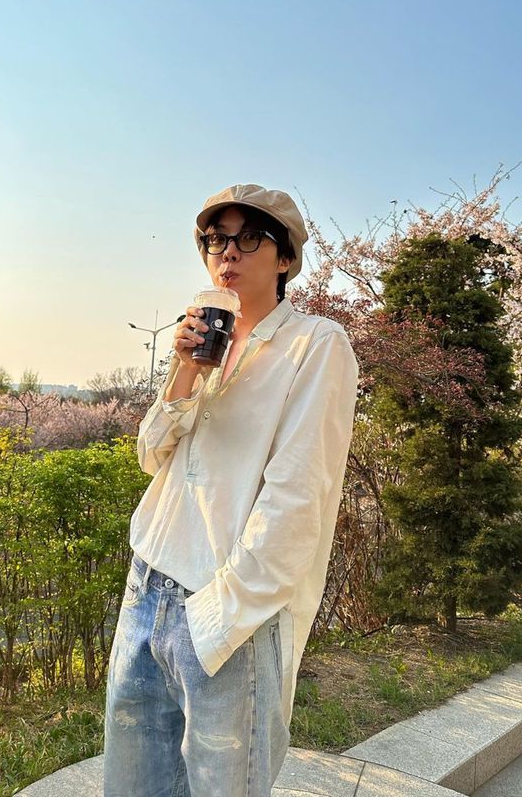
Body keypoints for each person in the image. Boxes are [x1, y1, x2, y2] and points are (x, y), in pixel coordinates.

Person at [103, 183, 359, 797]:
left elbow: (298, 498)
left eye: (250, 238)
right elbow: (150, 455)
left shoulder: (316, 345)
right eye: (217, 239)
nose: (229, 252)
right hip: (146, 587)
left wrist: (217, 615)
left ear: (286, 259)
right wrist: (185, 370)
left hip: (226, 607)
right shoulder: (205, 342)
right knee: (135, 785)